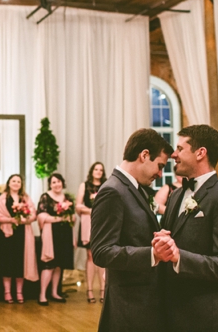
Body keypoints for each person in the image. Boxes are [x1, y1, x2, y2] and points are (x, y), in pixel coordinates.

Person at [156, 125, 218, 332]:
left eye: (180, 149)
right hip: (171, 312)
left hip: (205, 316)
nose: (174, 155)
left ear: (200, 153)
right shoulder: (175, 195)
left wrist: (180, 258)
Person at [90, 128, 173, 332]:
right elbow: (101, 252)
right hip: (129, 306)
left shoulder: (133, 188)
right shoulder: (113, 191)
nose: (160, 174)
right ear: (144, 155)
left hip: (142, 303)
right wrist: (152, 254)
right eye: (159, 166)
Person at [0, 174, 38, 304]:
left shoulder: (25, 198)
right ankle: (7, 292)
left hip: (22, 233)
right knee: (7, 263)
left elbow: (33, 214)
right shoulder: (2, 198)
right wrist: (10, 220)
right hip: (6, 234)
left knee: (20, 263)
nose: (16, 183)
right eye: (13, 181)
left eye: (18, 181)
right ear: (8, 183)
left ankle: (19, 292)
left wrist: (24, 219)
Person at [36, 173, 75, 306]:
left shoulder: (68, 198)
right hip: (51, 235)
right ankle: (42, 295)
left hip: (65, 234)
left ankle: (54, 292)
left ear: (62, 183)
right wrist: (58, 218)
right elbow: (41, 215)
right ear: (50, 184)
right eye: (53, 182)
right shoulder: (45, 197)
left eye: (58, 182)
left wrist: (69, 218)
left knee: (59, 265)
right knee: (49, 265)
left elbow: (73, 217)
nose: (57, 184)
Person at [75, 162, 106, 304]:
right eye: (96, 169)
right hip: (88, 223)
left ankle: (103, 290)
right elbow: (78, 206)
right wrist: (92, 210)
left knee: (103, 256)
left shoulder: (107, 184)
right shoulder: (84, 185)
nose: (98, 172)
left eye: (101, 170)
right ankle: (89, 290)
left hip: (103, 223)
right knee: (90, 256)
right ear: (92, 171)